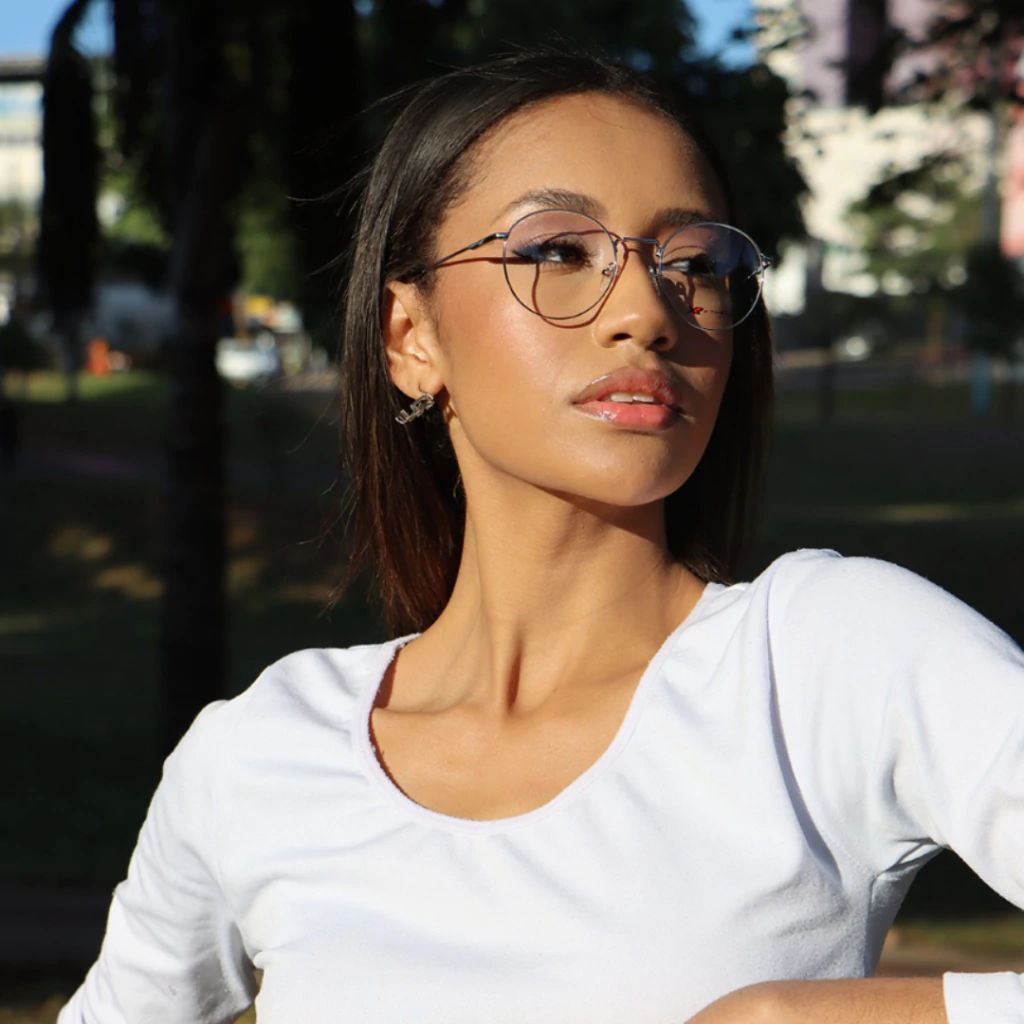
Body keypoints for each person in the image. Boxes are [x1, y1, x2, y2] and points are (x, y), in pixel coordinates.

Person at [58, 52, 1024, 1024]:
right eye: (558, 252)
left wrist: (795, 1017)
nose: (647, 312)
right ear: (408, 338)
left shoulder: (825, 660)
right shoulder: (260, 753)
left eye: (693, 262)